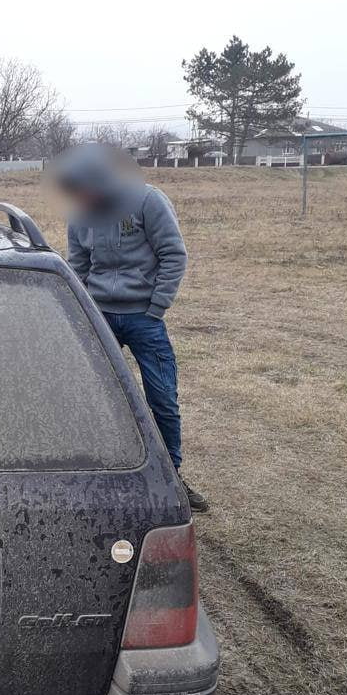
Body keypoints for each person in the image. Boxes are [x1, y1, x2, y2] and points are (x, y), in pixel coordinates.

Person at [56, 144, 208, 512]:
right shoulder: (81, 213)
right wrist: (84, 312)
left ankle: (172, 479)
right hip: (99, 318)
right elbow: (78, 266)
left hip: (144, 319)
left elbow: (174, 254)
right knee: (90, 396)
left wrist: (156, 307)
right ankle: (93, 474)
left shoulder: (148, 201)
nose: (82, 196)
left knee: (162, 399)